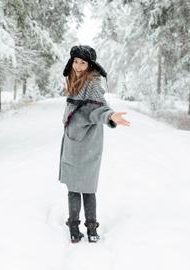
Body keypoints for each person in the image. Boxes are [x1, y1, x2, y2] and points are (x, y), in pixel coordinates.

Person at [58, 45, 130, 243]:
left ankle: (91, 228)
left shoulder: (93, 84)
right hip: (73, 143)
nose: (78, 66)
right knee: (73, 187)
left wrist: (111, 116)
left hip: (88, 144)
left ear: (90, 65)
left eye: (82, 62)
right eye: (75, 61)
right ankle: (74, 227)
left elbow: (98, 110)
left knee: (88, 188)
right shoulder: (73, 82)